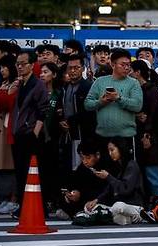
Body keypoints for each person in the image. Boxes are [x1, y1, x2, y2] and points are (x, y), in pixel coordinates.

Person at [84, 48, 142, 159]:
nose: (126, 67)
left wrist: (118, 98)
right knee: (105, 168)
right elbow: (87, 104)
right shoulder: (100, 81)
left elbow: (137, 106)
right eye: (123, 64)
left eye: (128, 65)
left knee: (126, 169)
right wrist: (101, 102)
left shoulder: (133, 83)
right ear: (112, 64)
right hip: (102, 135)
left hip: (126, 136)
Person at [11, 51, 49, 211]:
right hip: (19, 134)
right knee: (20, 172)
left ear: (32, 65)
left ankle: (37, 206)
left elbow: (43, 110)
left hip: (31, 135)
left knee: (33, 172)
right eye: (17, 63)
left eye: (23, 63)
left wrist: (35, 132)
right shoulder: (20, 84)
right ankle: (23, 205)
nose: (19, 66)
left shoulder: (38, 84)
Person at [85, 138, 144, 225]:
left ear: (120, 149)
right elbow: (110, 189)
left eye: (112, 150)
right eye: (109, 151)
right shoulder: (120, 166)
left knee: (118, 206)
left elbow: (125, 189)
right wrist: (96, 200)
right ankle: (126, 219)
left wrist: (108, 177)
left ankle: (137, 215)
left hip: (133, 205)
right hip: (121, 208)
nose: (110, 153)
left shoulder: (132, 165)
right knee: (88, 207)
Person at [129, 60, 158, 199]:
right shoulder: (133, 89)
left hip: (150, 136)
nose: (128, 73)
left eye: (130, 70)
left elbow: (155, 114)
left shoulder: (151, 89)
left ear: (137, 73)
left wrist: (147, 135)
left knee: (152, 170)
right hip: (135, 134)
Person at [61, 54, 96, 171]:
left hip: (83, 133)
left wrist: (70, 121)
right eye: (70, 68)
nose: (72, 71)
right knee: (68, 164)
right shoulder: (65, 87)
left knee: (81, 165)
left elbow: (89, 111)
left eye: (76, 67)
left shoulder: (88, 87)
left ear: (83, 68)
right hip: (66, 133)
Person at [56, 140, 108, 219]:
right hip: (83, 201)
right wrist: (73, 194)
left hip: (98, 199)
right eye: (82, 158)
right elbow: (74, 183)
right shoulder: (81, 169)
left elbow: (107, 190)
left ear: (97, 155)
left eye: (88, 158)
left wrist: (95, 199)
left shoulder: (105, 167)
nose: (85, 162)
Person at [37, 62, 65, 209]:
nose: (42, 74)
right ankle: (42, 200)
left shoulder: (59, 93)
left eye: (46, 72)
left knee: (53, 170)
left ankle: (53, 199)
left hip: (54, 138)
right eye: (41, 72)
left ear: (54, 75)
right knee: (40, 170)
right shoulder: (36, 92)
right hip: (38, 137)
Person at [0, 55, 19, 214]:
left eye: (4, 67)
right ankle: (3, 198)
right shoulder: (2, 84)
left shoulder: (16, 84)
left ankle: (12, 198)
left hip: (7, 126)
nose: (2, 70)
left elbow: (7, 103)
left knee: (8, 163)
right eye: (0, 68)